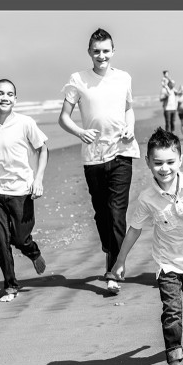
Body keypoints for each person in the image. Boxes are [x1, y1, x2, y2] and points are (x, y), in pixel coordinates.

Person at [111, 128, 183, 365]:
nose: (165, 168)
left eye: (170, 162)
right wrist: (120, 260)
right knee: (171, 309)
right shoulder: (147, 198)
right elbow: (134, 229)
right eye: (158, 163)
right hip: (167, 262)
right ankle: (173, 352)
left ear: (180, 160)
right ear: (148, 163)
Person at [58, 28, 138, 294]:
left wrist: (130, 127)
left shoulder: (124, 77)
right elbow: (64, 118)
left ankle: (114, 270)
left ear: (113, 51)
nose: (101, 55)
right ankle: (111, 249)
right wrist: (80, 132)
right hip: (93, 156)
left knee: (117, 212)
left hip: (122, 151)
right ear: (89, 52)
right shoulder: (78, 79)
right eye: (96, 51)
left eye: (106, 51)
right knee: (102, 214)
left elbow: (129, 109)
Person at [0, 79, 49, 301]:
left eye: (9, 94)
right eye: (0, 93)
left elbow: (43, 149)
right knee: (1, 240)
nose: (4, 98)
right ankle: (10, 286)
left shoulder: (25, 123)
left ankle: (32, 251)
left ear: (15, 99)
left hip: (22, 191)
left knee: (19, 238)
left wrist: (39, 180)